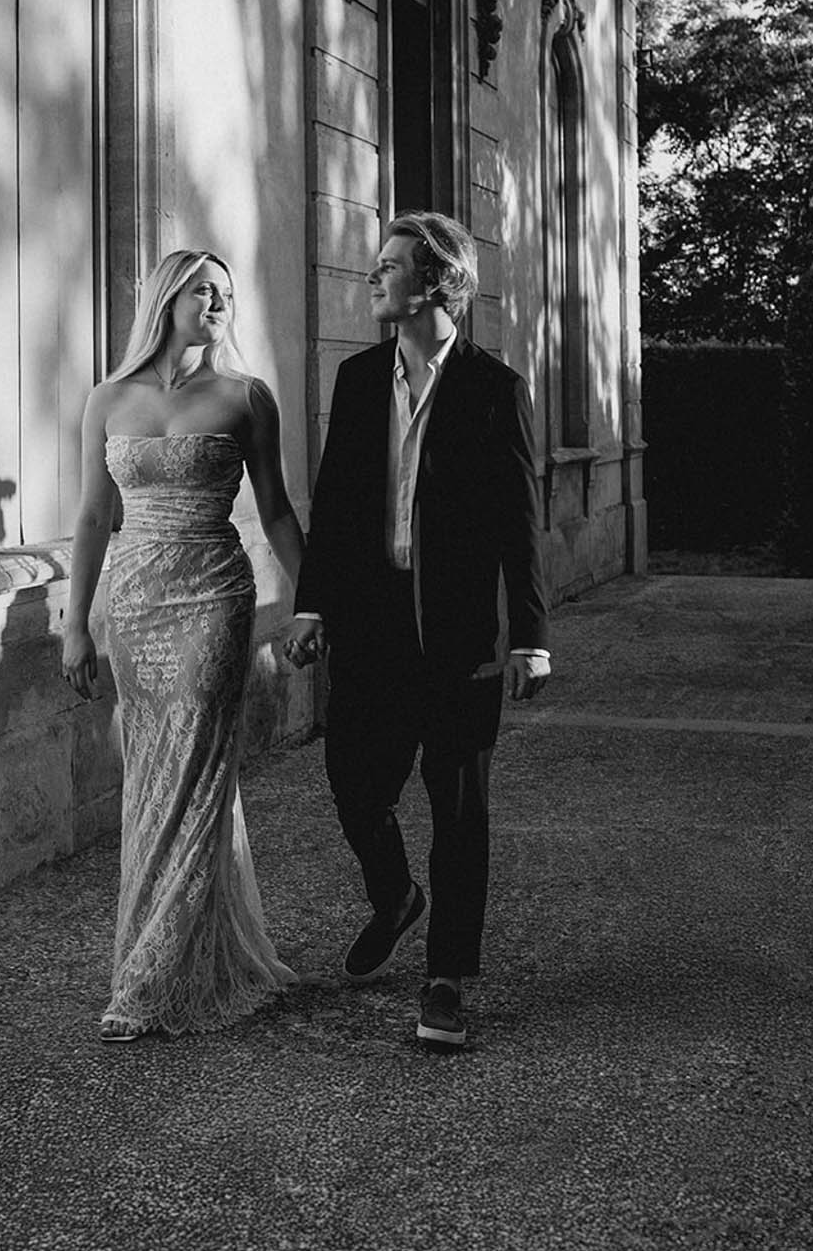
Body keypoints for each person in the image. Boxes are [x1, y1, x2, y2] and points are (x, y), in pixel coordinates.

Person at [283, 211, 550, 1051]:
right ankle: (394, 895)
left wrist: (529, 635)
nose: (374, 278)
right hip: (374, 624)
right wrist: (313, 603)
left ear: (437, 284)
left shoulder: (492, 388)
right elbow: (335, 503)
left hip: (460, 634)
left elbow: (522, 523)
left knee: (457, 806)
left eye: (390, 266)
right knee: (354, 778)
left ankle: (445, 980)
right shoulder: (359, 379)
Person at [63, 248, 305, 1041]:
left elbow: (273, 510)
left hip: (212, 596)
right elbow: (95, 518)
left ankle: (154, 974)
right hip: (134, 605)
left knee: (197, 767)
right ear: (169, 297)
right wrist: (76, 624)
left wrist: (317, 603)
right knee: (150, 772)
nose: (219, 303)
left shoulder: (246, 397)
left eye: (228, 294)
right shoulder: (107, 397)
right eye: (206, 290)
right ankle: (178, 947)